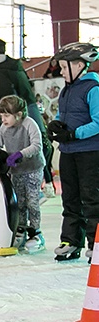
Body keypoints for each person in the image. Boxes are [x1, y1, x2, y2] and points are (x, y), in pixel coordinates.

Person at [46, 42, 99, 261]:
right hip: (68, 153)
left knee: (91, 198)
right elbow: (63, 116)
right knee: (70, 198)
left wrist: (74, 134)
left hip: (89, 153)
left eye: (65, 67)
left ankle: (94, 242)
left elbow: (98, 122)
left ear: (79, 65)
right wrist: (55, 126)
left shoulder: (93, 89)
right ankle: (71, 240)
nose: (61, 71)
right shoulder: (67, 89)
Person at [0, 38, 53, 190]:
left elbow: (6, 96)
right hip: (30, 104)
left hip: (18, 109)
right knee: (42, 141)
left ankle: (40, 180)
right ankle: (47, 180)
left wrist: (7, 115)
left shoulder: (0, 69)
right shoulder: (16, 65)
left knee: (26, 143)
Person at [0, 95, 46, 253]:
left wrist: (20, 154)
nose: (3, 119)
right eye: (1, 115)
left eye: (7, 115)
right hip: (16, 171)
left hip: (33, 169)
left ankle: (36, 232)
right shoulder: (4, 128)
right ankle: (21, 229)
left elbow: (37, 145)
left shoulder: (30, 124)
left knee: (32, 202)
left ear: (19, 114)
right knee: (19, 203)